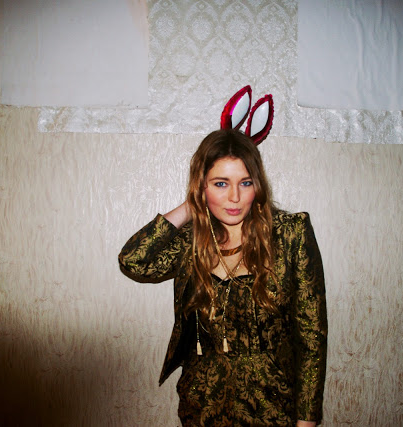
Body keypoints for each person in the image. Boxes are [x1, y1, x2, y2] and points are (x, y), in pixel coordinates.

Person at [118, 89, 327, 426]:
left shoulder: (291, 234)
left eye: (245, 182)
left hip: (271, 404)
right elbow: (133, 261)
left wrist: (307, 419)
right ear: (202, 185)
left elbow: (311, 335)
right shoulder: (191, 241)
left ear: (257, 184)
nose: (234, 197)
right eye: (220, 183)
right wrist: (190, 207)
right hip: (202, 405)